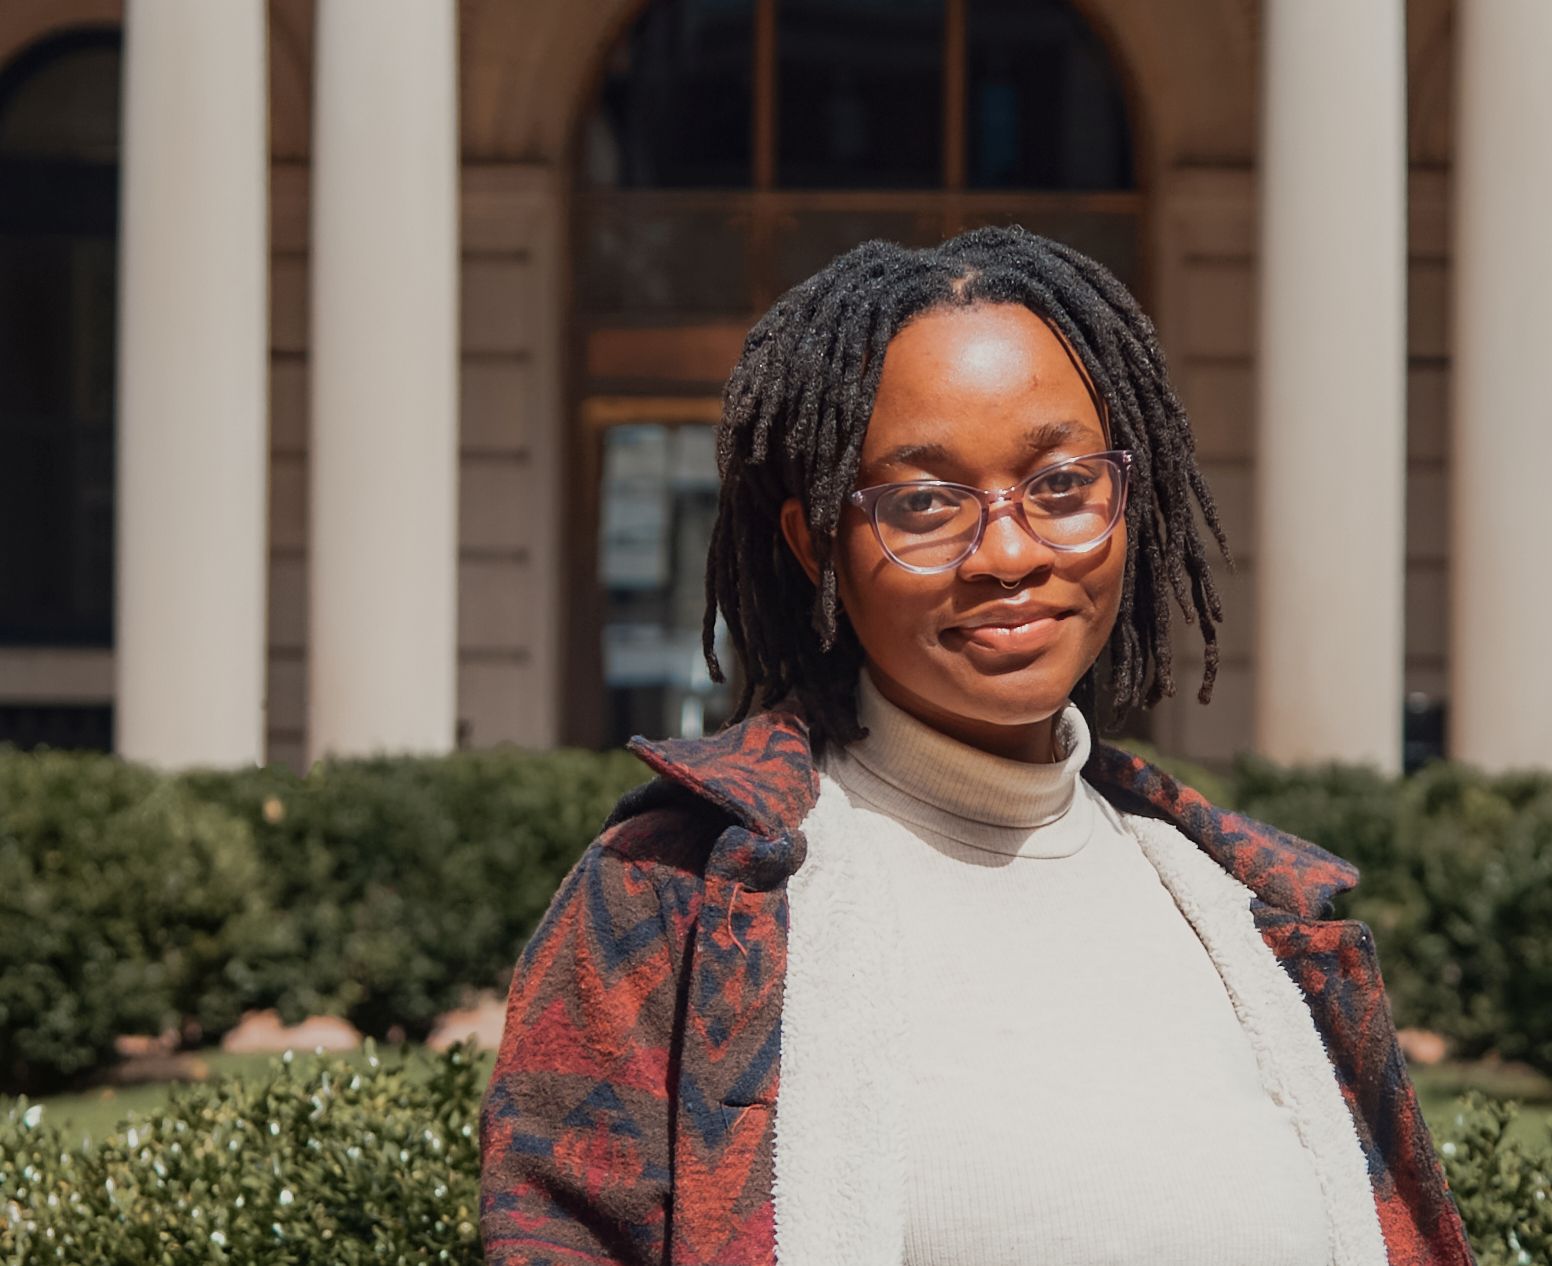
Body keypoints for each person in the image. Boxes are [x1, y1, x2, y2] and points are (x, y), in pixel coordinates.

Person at [478, 226, 1474, 1266]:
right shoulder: (671, 891)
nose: (1007, 554)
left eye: (1060, 486)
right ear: (815, 540)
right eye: (922, 502)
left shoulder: (1244, 908)